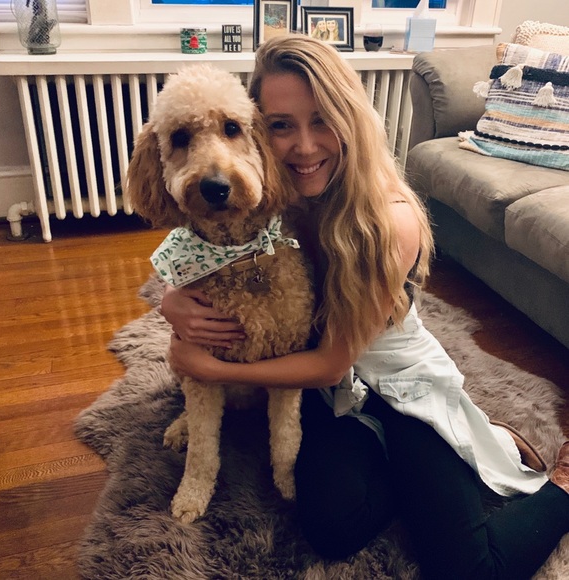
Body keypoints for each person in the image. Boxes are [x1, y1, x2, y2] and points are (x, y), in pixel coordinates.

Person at [160, 34, 569, 579]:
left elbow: (331, 361)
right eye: (281, 125)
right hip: (329, 387)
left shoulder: (389, 221)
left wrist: (211, 369)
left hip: (394, 381)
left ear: (350, 117)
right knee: (332, 528)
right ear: (257, 133)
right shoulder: (278, 201)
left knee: (469, 569)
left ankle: (549, 477)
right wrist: (173, 301)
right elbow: (202, 256)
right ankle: (414, 465)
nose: (304, 146)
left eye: (322, 120)